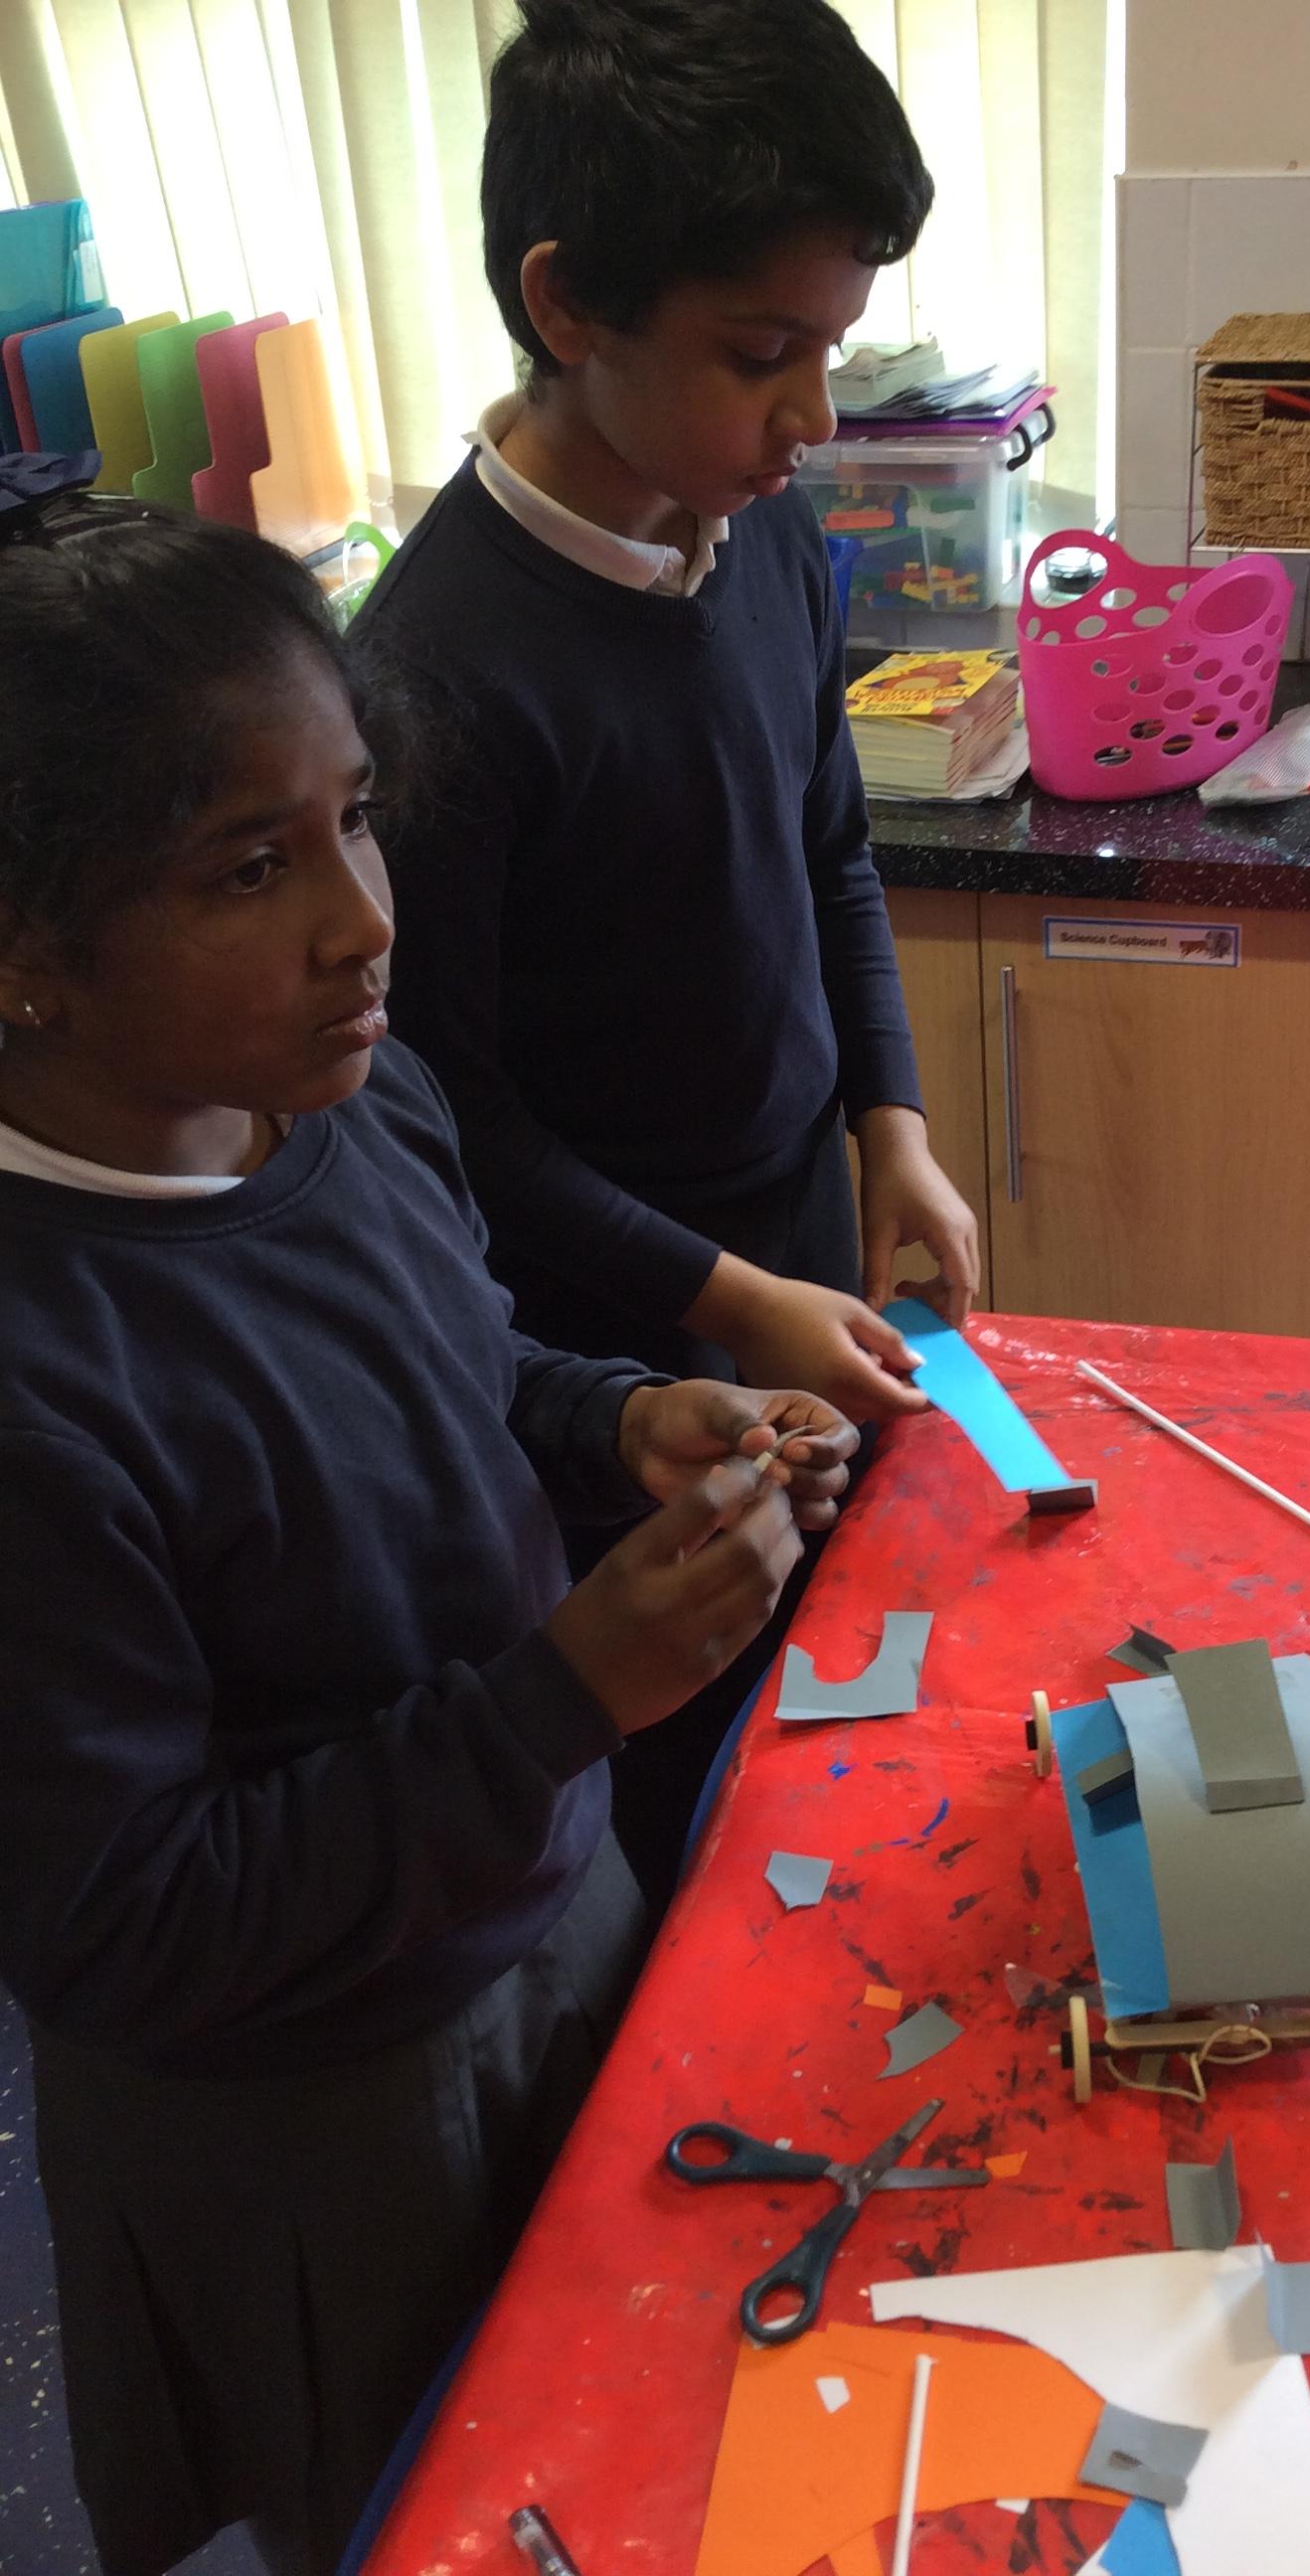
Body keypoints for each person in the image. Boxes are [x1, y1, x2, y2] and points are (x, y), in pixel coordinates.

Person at [0, 485, 858, 2576]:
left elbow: (457, 1353)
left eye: (359, 821)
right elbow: (129, 1923)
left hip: (544, 1901)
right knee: (425, 2508)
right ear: (26, 958)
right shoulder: (39, 1382)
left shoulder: (350, 1097)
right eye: (250, 868)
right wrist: (565, 1697)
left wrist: (616, 1415)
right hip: (315, 2108)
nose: (363, 921)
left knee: (637, 2417)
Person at [358, 0, 980, 1898]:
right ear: (567, 305)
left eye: (836, 352)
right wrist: (725, 1299)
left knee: (845, 1711)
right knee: (682, 1776)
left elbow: (830, 850)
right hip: (609, 1341)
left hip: (790, 1248)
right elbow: (452, 1120)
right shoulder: (433, 678)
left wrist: (890, 1124)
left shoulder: (762, 530)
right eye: (762, 356)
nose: (816, 420)